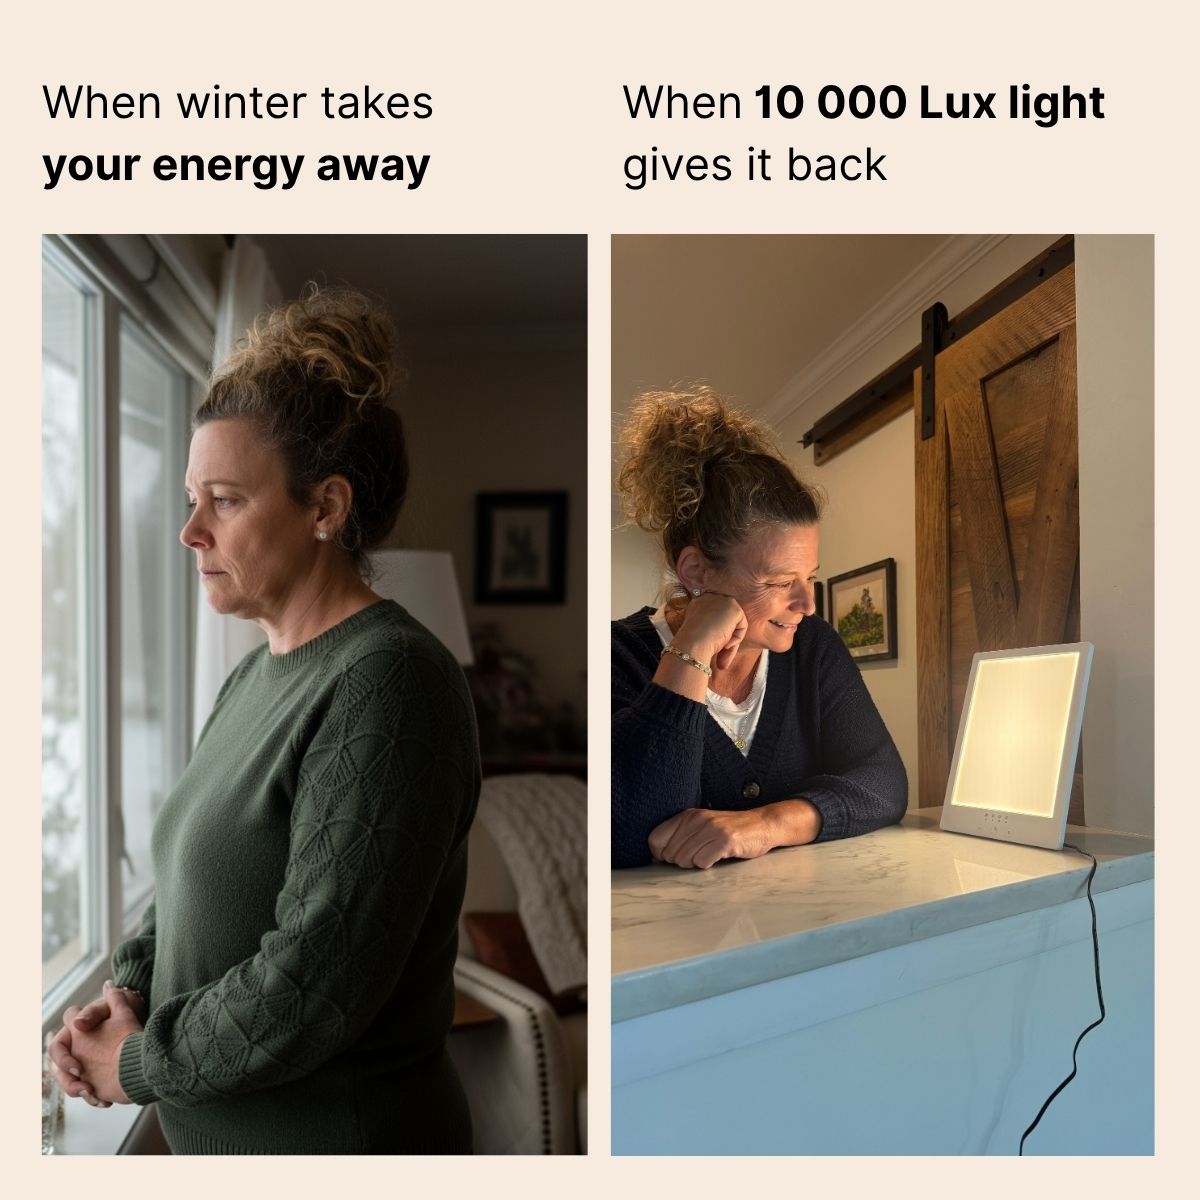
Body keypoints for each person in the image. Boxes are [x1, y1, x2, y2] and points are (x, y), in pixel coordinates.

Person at [48, 287, 480, 1154]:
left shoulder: (389, 682)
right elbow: (188, 890)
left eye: (225, 500)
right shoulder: (254, 675)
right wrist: (124, 994)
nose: (189, 531)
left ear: (326, 508)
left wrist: (136, 1062)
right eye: (191, 497)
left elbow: (315, 984)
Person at [612, 387, 906, 870]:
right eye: (779, 582)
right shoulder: (615, 656)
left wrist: (766, 824)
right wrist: (692, 648)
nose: (807, 604)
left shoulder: (813, 648)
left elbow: (884, 783)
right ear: (696, 571)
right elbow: (628, 832)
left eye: (809, 577)